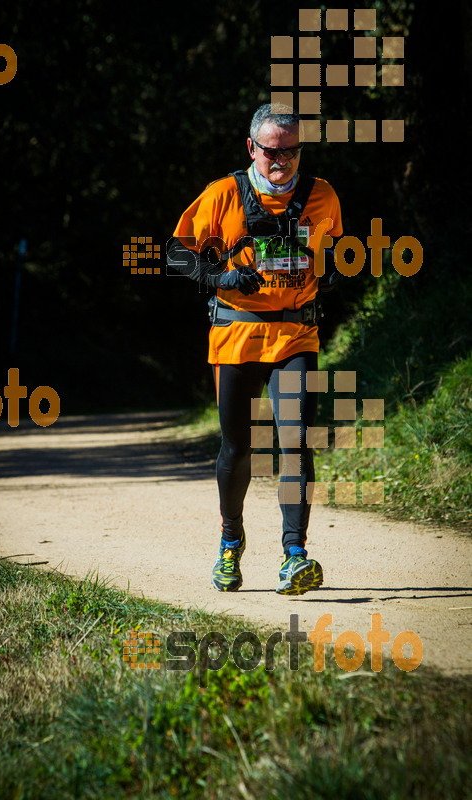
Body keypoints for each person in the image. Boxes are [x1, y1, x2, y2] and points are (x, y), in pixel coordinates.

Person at [167, 103, 343, 595]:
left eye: (291, 151)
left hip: (295, 336)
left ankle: (295, 554)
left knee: (297, 440)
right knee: (237, 448)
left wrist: (330, 271)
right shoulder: (223, 194)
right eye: (271, 151)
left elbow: (337, 250)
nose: (281, 160)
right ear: (252, 148)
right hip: (236, 337)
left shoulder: (322, 196)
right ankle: (230, 540)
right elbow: (176, 250)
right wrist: (218, 276)